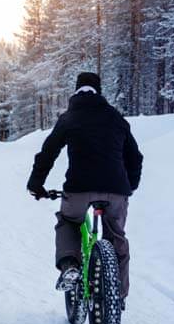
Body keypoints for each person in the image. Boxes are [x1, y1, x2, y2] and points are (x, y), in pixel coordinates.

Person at [26, 72, 143, 307]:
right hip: (116, 192)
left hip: (79, 190)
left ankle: (70, 265)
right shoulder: (116, 118)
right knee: (116, 237)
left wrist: (35, 184)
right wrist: (129, 186)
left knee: (68, 221)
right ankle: (117, 297)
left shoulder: (69, 118)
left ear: (76, 90)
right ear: (99, 91)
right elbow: (135, 157)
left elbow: (48, 153)